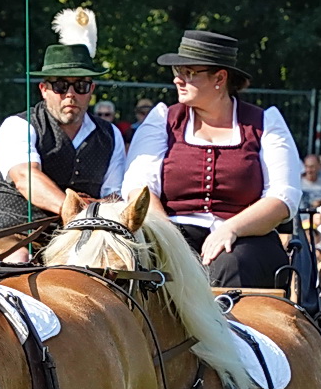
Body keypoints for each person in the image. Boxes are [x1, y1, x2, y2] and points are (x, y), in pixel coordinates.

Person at [123, 27, 301, 284]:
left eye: (189, 73)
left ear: (220, 78)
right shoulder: (163, 119)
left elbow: (282, 199)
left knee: (231, 261)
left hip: (246, 239)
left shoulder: (265, 123)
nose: (178, 80)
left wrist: (231, 228)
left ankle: (228, 325)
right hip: (171, 231)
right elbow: (139, 189)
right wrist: (170, 240)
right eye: (177, 72)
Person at [0, 8, 129, 229]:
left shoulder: (110, 135)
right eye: (60, 85)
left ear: (91, 89)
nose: (70, 94)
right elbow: (26, 178)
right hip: (18, 234)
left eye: (81, 86)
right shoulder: (18, 126)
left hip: (85, 237)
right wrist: (81, 212)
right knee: (16, 262)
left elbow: (113, 197)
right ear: (43, 89)